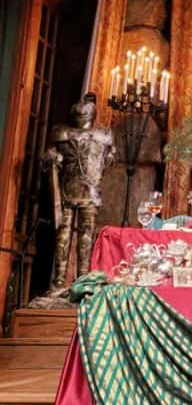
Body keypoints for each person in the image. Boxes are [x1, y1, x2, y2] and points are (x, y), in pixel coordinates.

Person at [44, 93, 115, 290]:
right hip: (72, 190)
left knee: (83, 234)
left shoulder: (101, 135)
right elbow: (49, 156)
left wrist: (52, 158)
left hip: (86, 189)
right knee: (67, 234)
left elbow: (109, 159)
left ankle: (79, 278)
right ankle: (61, 280)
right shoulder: (67, 133)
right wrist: (52, 159)